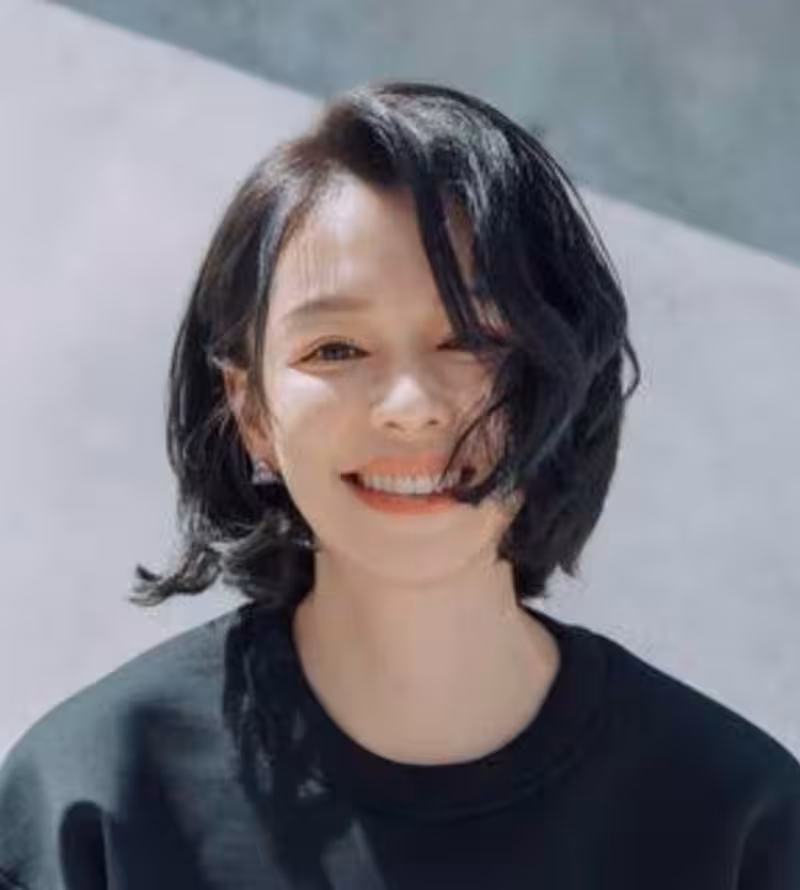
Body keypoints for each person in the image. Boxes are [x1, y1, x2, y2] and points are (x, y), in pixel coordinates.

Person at [0, 80, 798, 890]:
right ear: (250, 410)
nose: (411, 407)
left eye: (471, 339)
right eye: (336, 349)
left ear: (563, 375)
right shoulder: (92, 803)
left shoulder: (738, 820)